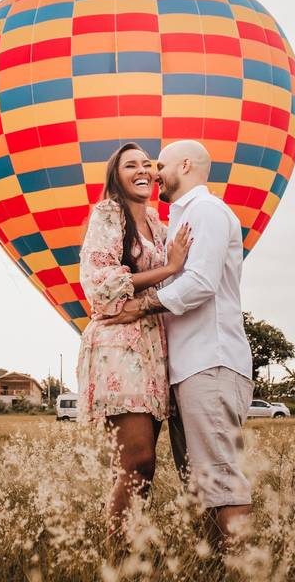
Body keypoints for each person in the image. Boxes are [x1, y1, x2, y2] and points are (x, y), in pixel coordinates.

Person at [101, 139, 255, 544]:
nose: (153, 173)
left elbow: (201, 282)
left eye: (159, 165)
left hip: (211, 362)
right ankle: (217, 564)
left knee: (220, 478)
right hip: (188, 369)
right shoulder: (176, 223)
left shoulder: (205, 212)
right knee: (199, 483)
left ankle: (241, 568)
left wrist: (143, 306)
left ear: (185, 165)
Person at [75, 141, 192, 540]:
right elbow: (101, 285)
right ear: (116, 176)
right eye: (130, 165)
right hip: (118, 346)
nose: (143, 170)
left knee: (139, 464)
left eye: (148, 164)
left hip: (154, 347)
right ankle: (116, 552)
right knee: (138, 459)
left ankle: (126, 545)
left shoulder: (160, 226)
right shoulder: (109, 215)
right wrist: (171, 267)